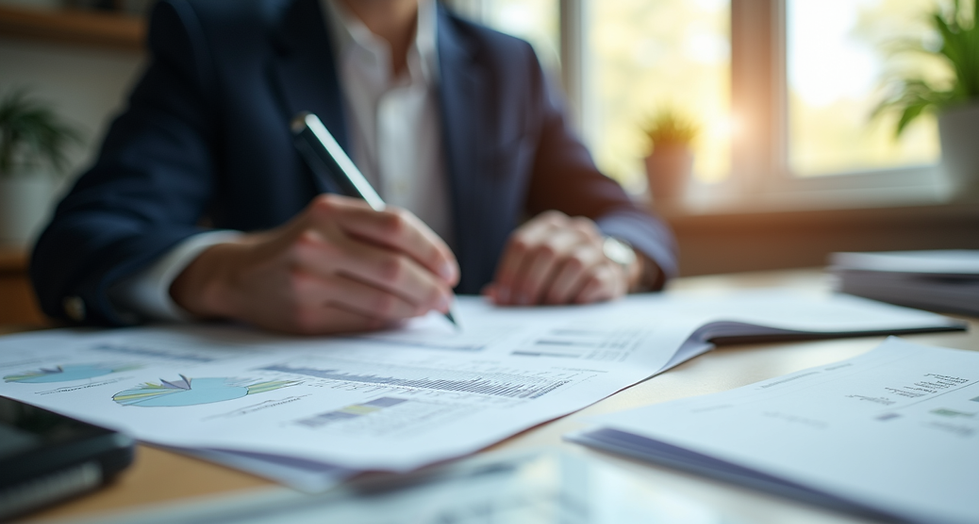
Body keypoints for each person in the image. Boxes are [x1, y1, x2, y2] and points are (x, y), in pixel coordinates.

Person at [31, 0, 677, 335]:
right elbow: (79, 243)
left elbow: (630, 219)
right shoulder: (213, 39)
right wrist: (225, 274)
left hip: (493, 425)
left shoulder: (513, 65)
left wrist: (611, 256)